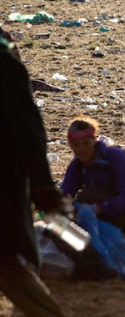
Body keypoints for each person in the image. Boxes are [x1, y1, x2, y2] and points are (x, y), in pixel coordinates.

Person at [0, 34, 67, 317]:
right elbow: (29, 135)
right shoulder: (7, 69)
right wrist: (44, 194)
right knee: (10, 266)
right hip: (4, 191)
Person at [60, 116, 125, 250]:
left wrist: (97, 208)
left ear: (94, 140)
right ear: (71, 146)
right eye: (76, 145)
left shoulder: (115, 157)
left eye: (86, 143)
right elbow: (65, 194)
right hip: (119, 213)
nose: (81, 149)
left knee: (87, 198)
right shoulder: (77, 166)